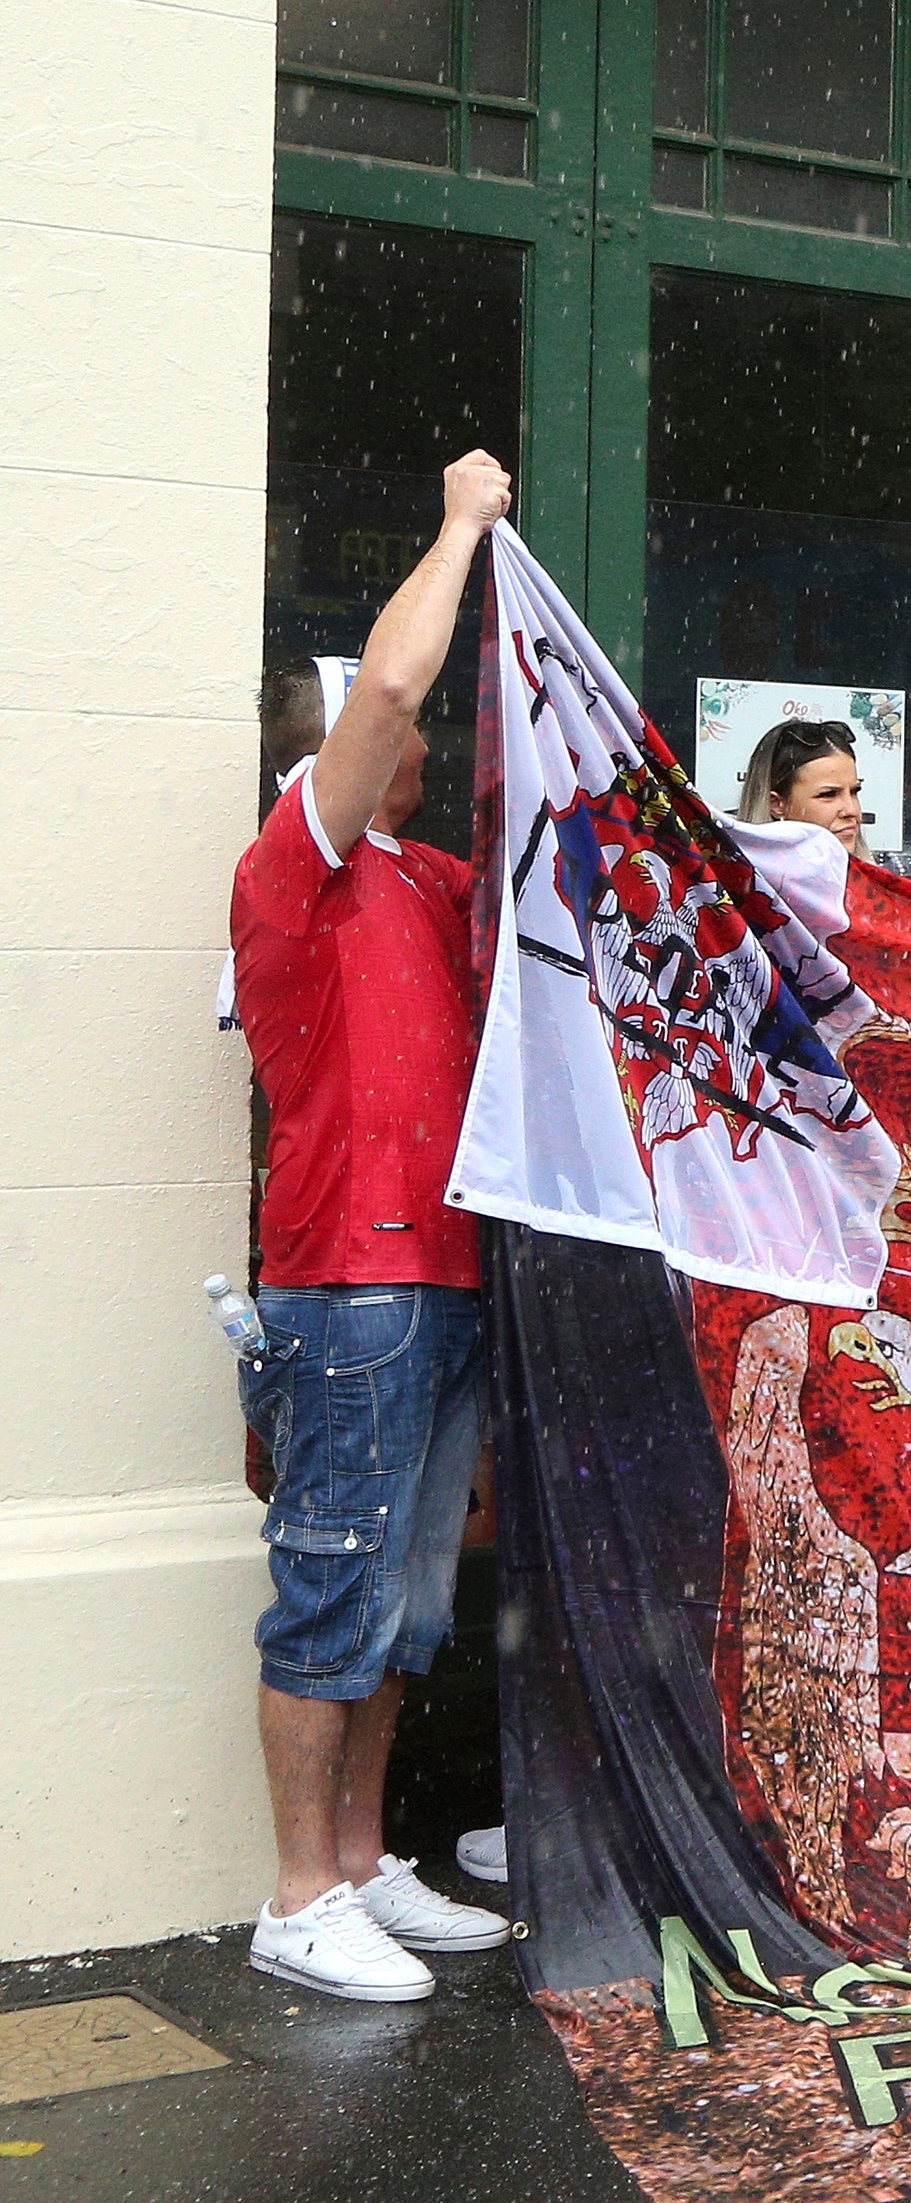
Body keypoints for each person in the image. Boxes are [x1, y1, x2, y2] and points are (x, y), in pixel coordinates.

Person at [225, 451, 519, 2002]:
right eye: (381, 725)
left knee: (405, 1599)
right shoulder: (297, 871)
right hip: (352, 1280)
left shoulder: (429, 879)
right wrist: (466, 525)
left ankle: (356, 1862)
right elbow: (397, 679)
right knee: (333, 1582)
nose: (414, 735)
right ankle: (291, 1892)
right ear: (330, 750)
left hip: (448, 1277)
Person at [735, 718, 869, 856]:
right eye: (828, 794)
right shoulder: (735, 876)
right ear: (776, 804)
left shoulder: (881, 877)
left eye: (854, 792)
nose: (851, 810)